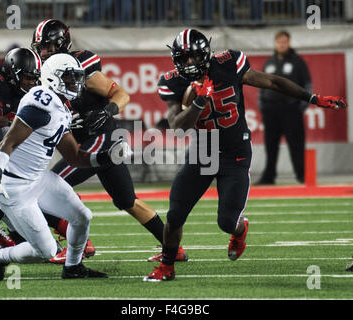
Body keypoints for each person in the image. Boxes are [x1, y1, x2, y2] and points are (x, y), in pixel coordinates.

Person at [143, 29, 346, 281]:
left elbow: (272, 81)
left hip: (234, 153)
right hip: (203, 153)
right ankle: (167, 266)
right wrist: (198, 102)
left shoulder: (228, 64)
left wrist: (312, 97)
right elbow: (177, 127)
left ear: (205, 54)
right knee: (174, 215)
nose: (188, 64)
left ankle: (239, 229)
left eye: (193, 57)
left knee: (227, 222)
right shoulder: (173, 81)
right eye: (183, 59)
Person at [30, 19, 186, 263]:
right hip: (91, 142)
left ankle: (80, 246)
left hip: (100, 139)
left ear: (61, 45)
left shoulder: (80, 67)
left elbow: (121, 94)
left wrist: (106, 111)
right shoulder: (44, 73)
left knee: (49, 187)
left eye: (48, 46)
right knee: (127, 200)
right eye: (41, 47)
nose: (43, 52)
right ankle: (173, 249)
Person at [0, 53, 110, 280]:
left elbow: (74, 157)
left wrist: (104, 157)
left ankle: (72, 268)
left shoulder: (60, 106)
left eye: (77, 78)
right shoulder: (42, 102)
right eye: (70, 78)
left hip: (38, 178)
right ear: (54, 78)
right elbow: (8, 142)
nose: (76, 83)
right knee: (46, 251)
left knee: (82, 216)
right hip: (14, 187)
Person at [0, 48, 41, 248]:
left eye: (34, 78)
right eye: (27, 77)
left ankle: (11, 233)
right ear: (13, 72)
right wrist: (8, 121)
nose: (30, 82)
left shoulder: (24, 96)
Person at [256, 30, 312, 185]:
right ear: (275, 43)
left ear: (289, 43)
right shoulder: (269, 62)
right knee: (270, 145)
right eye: (279, 42)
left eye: (284, 42)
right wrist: (262, 104)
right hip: (271, 110)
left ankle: (302, 176)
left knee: (296, 144)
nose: (282, 44)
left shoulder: (298, 62)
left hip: (291, 110)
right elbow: (261, 86)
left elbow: (307, 85)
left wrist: (302, 106)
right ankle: (269, 177)